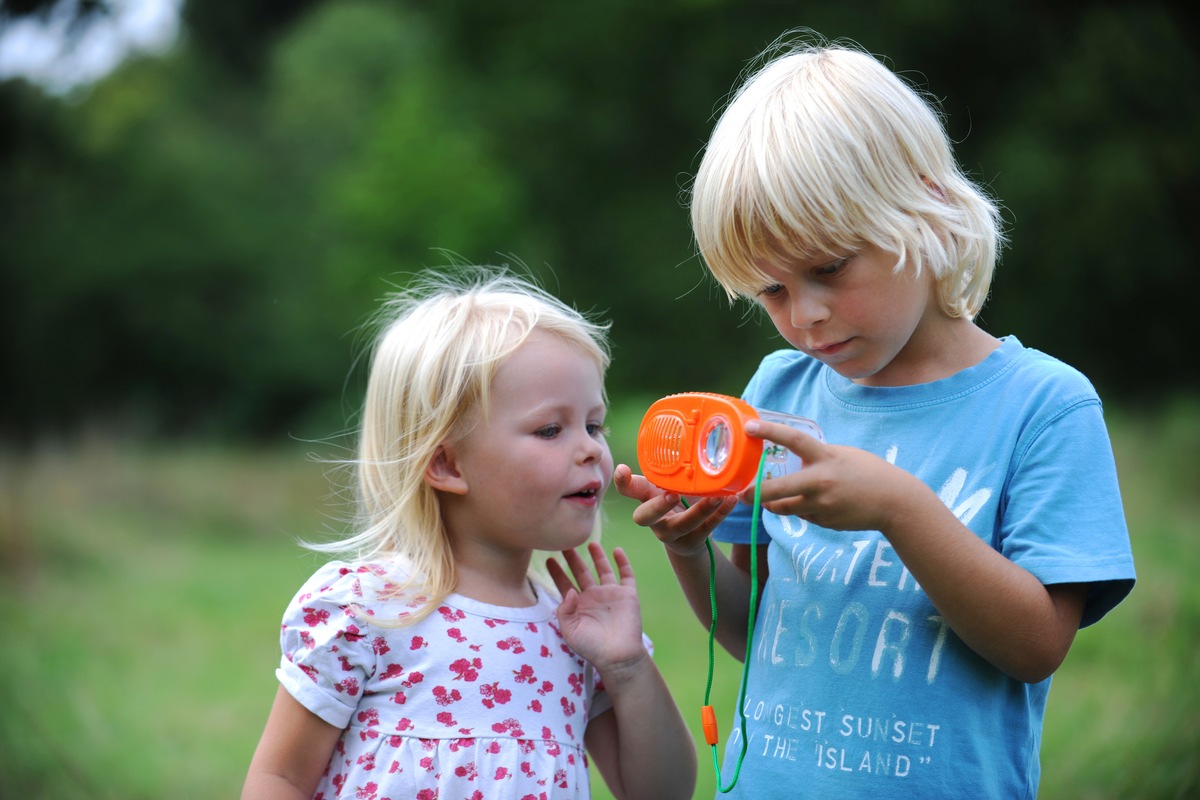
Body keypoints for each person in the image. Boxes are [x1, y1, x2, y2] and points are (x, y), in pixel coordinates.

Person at [614, 33, 1135, 799]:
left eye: (829, 268)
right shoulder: (779, 391)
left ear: (924, 205)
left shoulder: (1043, 407)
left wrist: (898, 508)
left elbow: (1034, 647)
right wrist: (687, 549)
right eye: (773, 292)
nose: (807, 317)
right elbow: (752, 635)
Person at [243, 269, 696, 800]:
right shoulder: (367, 610)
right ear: (447, 466)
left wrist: (626, 667)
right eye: (551, 429)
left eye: (594, 425)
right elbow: (280, 777)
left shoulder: (577, 633)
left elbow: (663, 792)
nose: (592, 449)